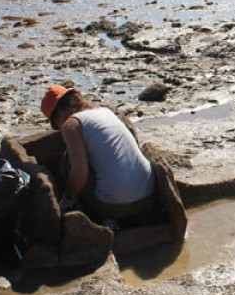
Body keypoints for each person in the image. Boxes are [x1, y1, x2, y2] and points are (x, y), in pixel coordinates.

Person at [40, 85, 155, 224]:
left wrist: (66, 201)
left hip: (116, 207)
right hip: (149, 196)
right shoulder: (105, 112)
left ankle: (102, 219)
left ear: (58, 116)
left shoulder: (70, 125)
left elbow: (79, 173)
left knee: (67, 163)